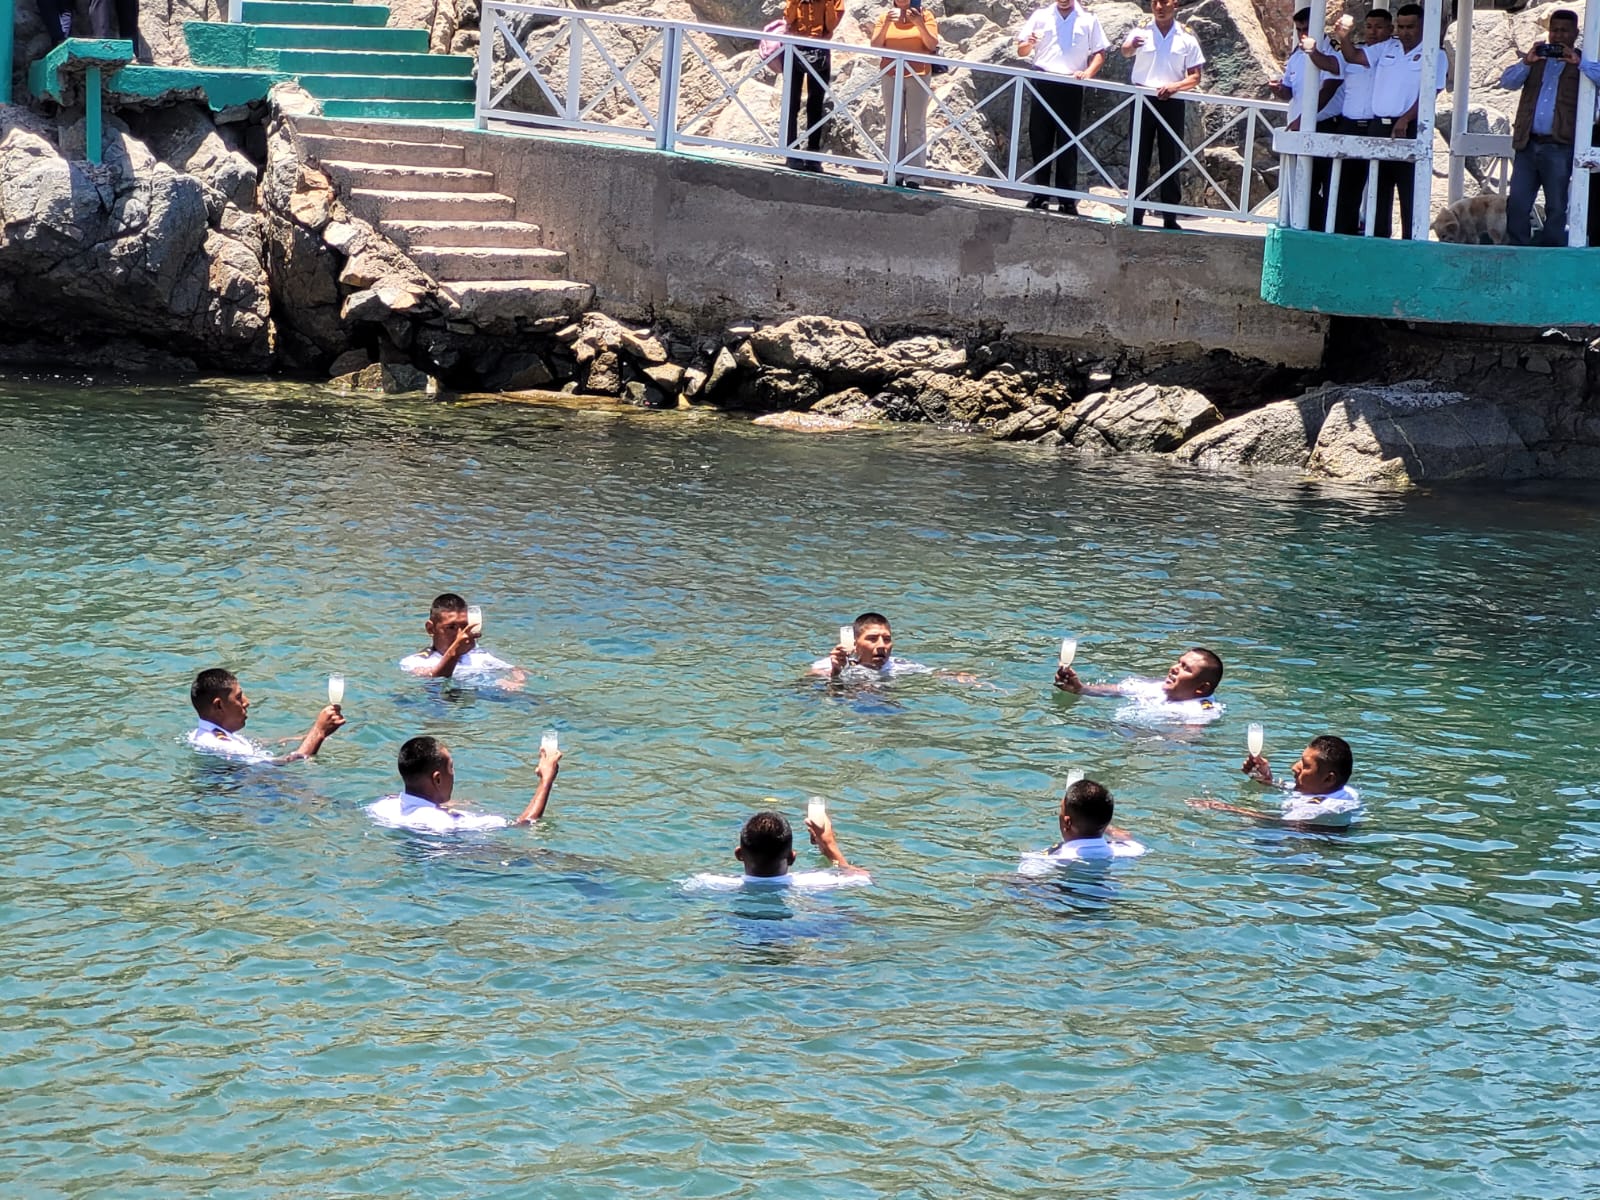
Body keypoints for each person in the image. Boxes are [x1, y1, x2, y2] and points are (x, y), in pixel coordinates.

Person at [1499, 10, 1600, 246]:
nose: (1558, 36)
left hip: (1560, 145)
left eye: (1564, 30)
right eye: (1554, 30)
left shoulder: (1583, 62)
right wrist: (1527, 62)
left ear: (1575, 33)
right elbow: (1507, 82)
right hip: (1528, 142)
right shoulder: (1536, 60)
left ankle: (1552, 252)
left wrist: (1579, 63)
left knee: (1556, 206)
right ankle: (1519, 250)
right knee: (1518, 203)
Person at [1016, 0, 1110, 215]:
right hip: (1043, 79)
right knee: (1040, 138)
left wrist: (1088, 73)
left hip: (1071, 83)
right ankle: (1040, 193)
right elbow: (1021, 50)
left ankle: (1067, 199)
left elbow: (1099, 53)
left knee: (1068, 142)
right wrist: (1029, 44)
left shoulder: (1088, 19)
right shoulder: (1041, 16)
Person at [1121, 0, 1205, 230]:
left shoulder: (1186, 37)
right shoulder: (1141, 30)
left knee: (1170, 157)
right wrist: (1130, 46)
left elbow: (1195, 76)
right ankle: (1135, 210)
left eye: (1164, 2)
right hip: (1143, 98)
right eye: (1155, 2)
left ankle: (1169, 214)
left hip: (1171, 101)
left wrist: (1175, 86)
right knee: (1139, 156)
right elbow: (1125, 51)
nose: (1159, 7)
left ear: (1175, 5)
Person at [366, 735, 560, 833]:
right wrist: (546, 779)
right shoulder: (448, 822)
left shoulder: (381, 807)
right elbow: (523, 826)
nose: (454, 774)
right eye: (451, 768)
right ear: (437, 779)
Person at [1367, 3, 1447, 239]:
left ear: (1423, 25)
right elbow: (1354, 56)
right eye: (1400, 27)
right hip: (1379, 124)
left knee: (1409, 189)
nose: (1405, 32)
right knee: (1378, 187)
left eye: (1410, 26)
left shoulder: (1435, 53)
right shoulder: (1387, 48)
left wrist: (1405, 118)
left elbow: (1430, 92)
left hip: (1410, 127)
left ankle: (1412, 240)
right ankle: (1378, 238)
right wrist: (1342, 36)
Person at [1189, 734, 1363, 828]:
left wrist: (1226, 808)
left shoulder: (1322, 807)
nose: (1295, 768)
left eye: (1305, 766)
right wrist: (1265, 779)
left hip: (1308, 849)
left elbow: (1278, 822)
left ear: (1328, 779)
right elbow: (1295, 790)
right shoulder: (1340, 789)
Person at [1276, 7, 1347, 231]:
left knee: (1326, 185)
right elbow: (1289, 91)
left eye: (1306, 29)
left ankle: (1325, 231)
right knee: (1301, 184)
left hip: (1325, 124)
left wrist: (1303, 120)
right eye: (1298, 30)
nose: (1302, 35)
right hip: (1299, 126)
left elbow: (1329, 88)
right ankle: (1304, 227)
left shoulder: (1332, 50)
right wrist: (1278, 89)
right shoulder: (1296, 55)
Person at [687, 807, 870, 890]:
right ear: (792, 857)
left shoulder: (708, 883)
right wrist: (829, 845)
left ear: (739, 854)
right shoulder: (817, 881)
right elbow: (863, 877)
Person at [188, 668, 345, 764]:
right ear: (219, 705)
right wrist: (318, 733)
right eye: (239, 697)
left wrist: (303, 738)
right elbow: (281, 766)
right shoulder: (223, 746)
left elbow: (256, 745)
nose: (246, 702)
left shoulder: (202, 735)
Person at [1331, 8, 1394, 235]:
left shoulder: (1390, 51)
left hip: (1376, 124)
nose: (1373, 32)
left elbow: (1352, 56)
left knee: (1380, 183)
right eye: (1369, 26)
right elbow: (1335, 64)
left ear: (1390, 29)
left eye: (1379, 27)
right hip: (1350, 123)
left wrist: (1344, 37)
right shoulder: (1357, 50)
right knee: (1347, 182)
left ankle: (1378, 232)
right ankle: (1344, 228)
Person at [870, 0, 941, 188]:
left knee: (916, 126)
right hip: (891, 73)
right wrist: (886, 24)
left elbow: (932, 45)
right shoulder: (885, 16)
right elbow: (876, 45)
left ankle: (914, 176)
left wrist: (919, 23)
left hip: (918, 74)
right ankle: (892, 171)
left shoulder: (925, 16)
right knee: (893, 124)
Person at [1052, 645, 1224, 722]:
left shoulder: (1200, 712)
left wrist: (1140, 739)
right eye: (1179, 662)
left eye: (1186, 668)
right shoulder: (1160, 688)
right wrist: (1081, 689)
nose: (1174, 668)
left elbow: (1185, 740)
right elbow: (1118, 690)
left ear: (1202, 688)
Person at [1019, 777, 1147, 874]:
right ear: (1108, 821)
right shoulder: (1133, 850)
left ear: (1067, 822)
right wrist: (1110, 830)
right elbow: (1128, 839)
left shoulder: (1048, 858)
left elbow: (1022, 883)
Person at [399, 592, 526, 687]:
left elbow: (515, 669)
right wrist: (454, 653)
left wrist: (516, 682)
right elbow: (435, 677)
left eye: (464, 626)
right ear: (431, 629)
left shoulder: (479, 656)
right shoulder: (416, 661)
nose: (461, 634)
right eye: (452, 627)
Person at [783, 0, 847, 172]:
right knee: (792, 102)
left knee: (816, 103)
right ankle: (791, 151)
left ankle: (813, 154)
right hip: (794, 49)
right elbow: (788, 19)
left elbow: (831, 26)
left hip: (820, 50)